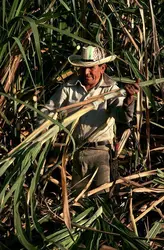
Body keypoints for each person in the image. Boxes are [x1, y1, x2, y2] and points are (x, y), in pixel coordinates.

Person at [41, 45, 139, 195]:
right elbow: (47, 110)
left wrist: (129, 101)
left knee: (103, 198)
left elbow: (123, 117)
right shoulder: (69, 88)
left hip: (102, 153)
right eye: (82, 68)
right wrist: (41, 132)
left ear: (103, 68)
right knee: (78, 199)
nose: (86, 72)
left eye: (91, 68)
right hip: (78, 152)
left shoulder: (111, 90)